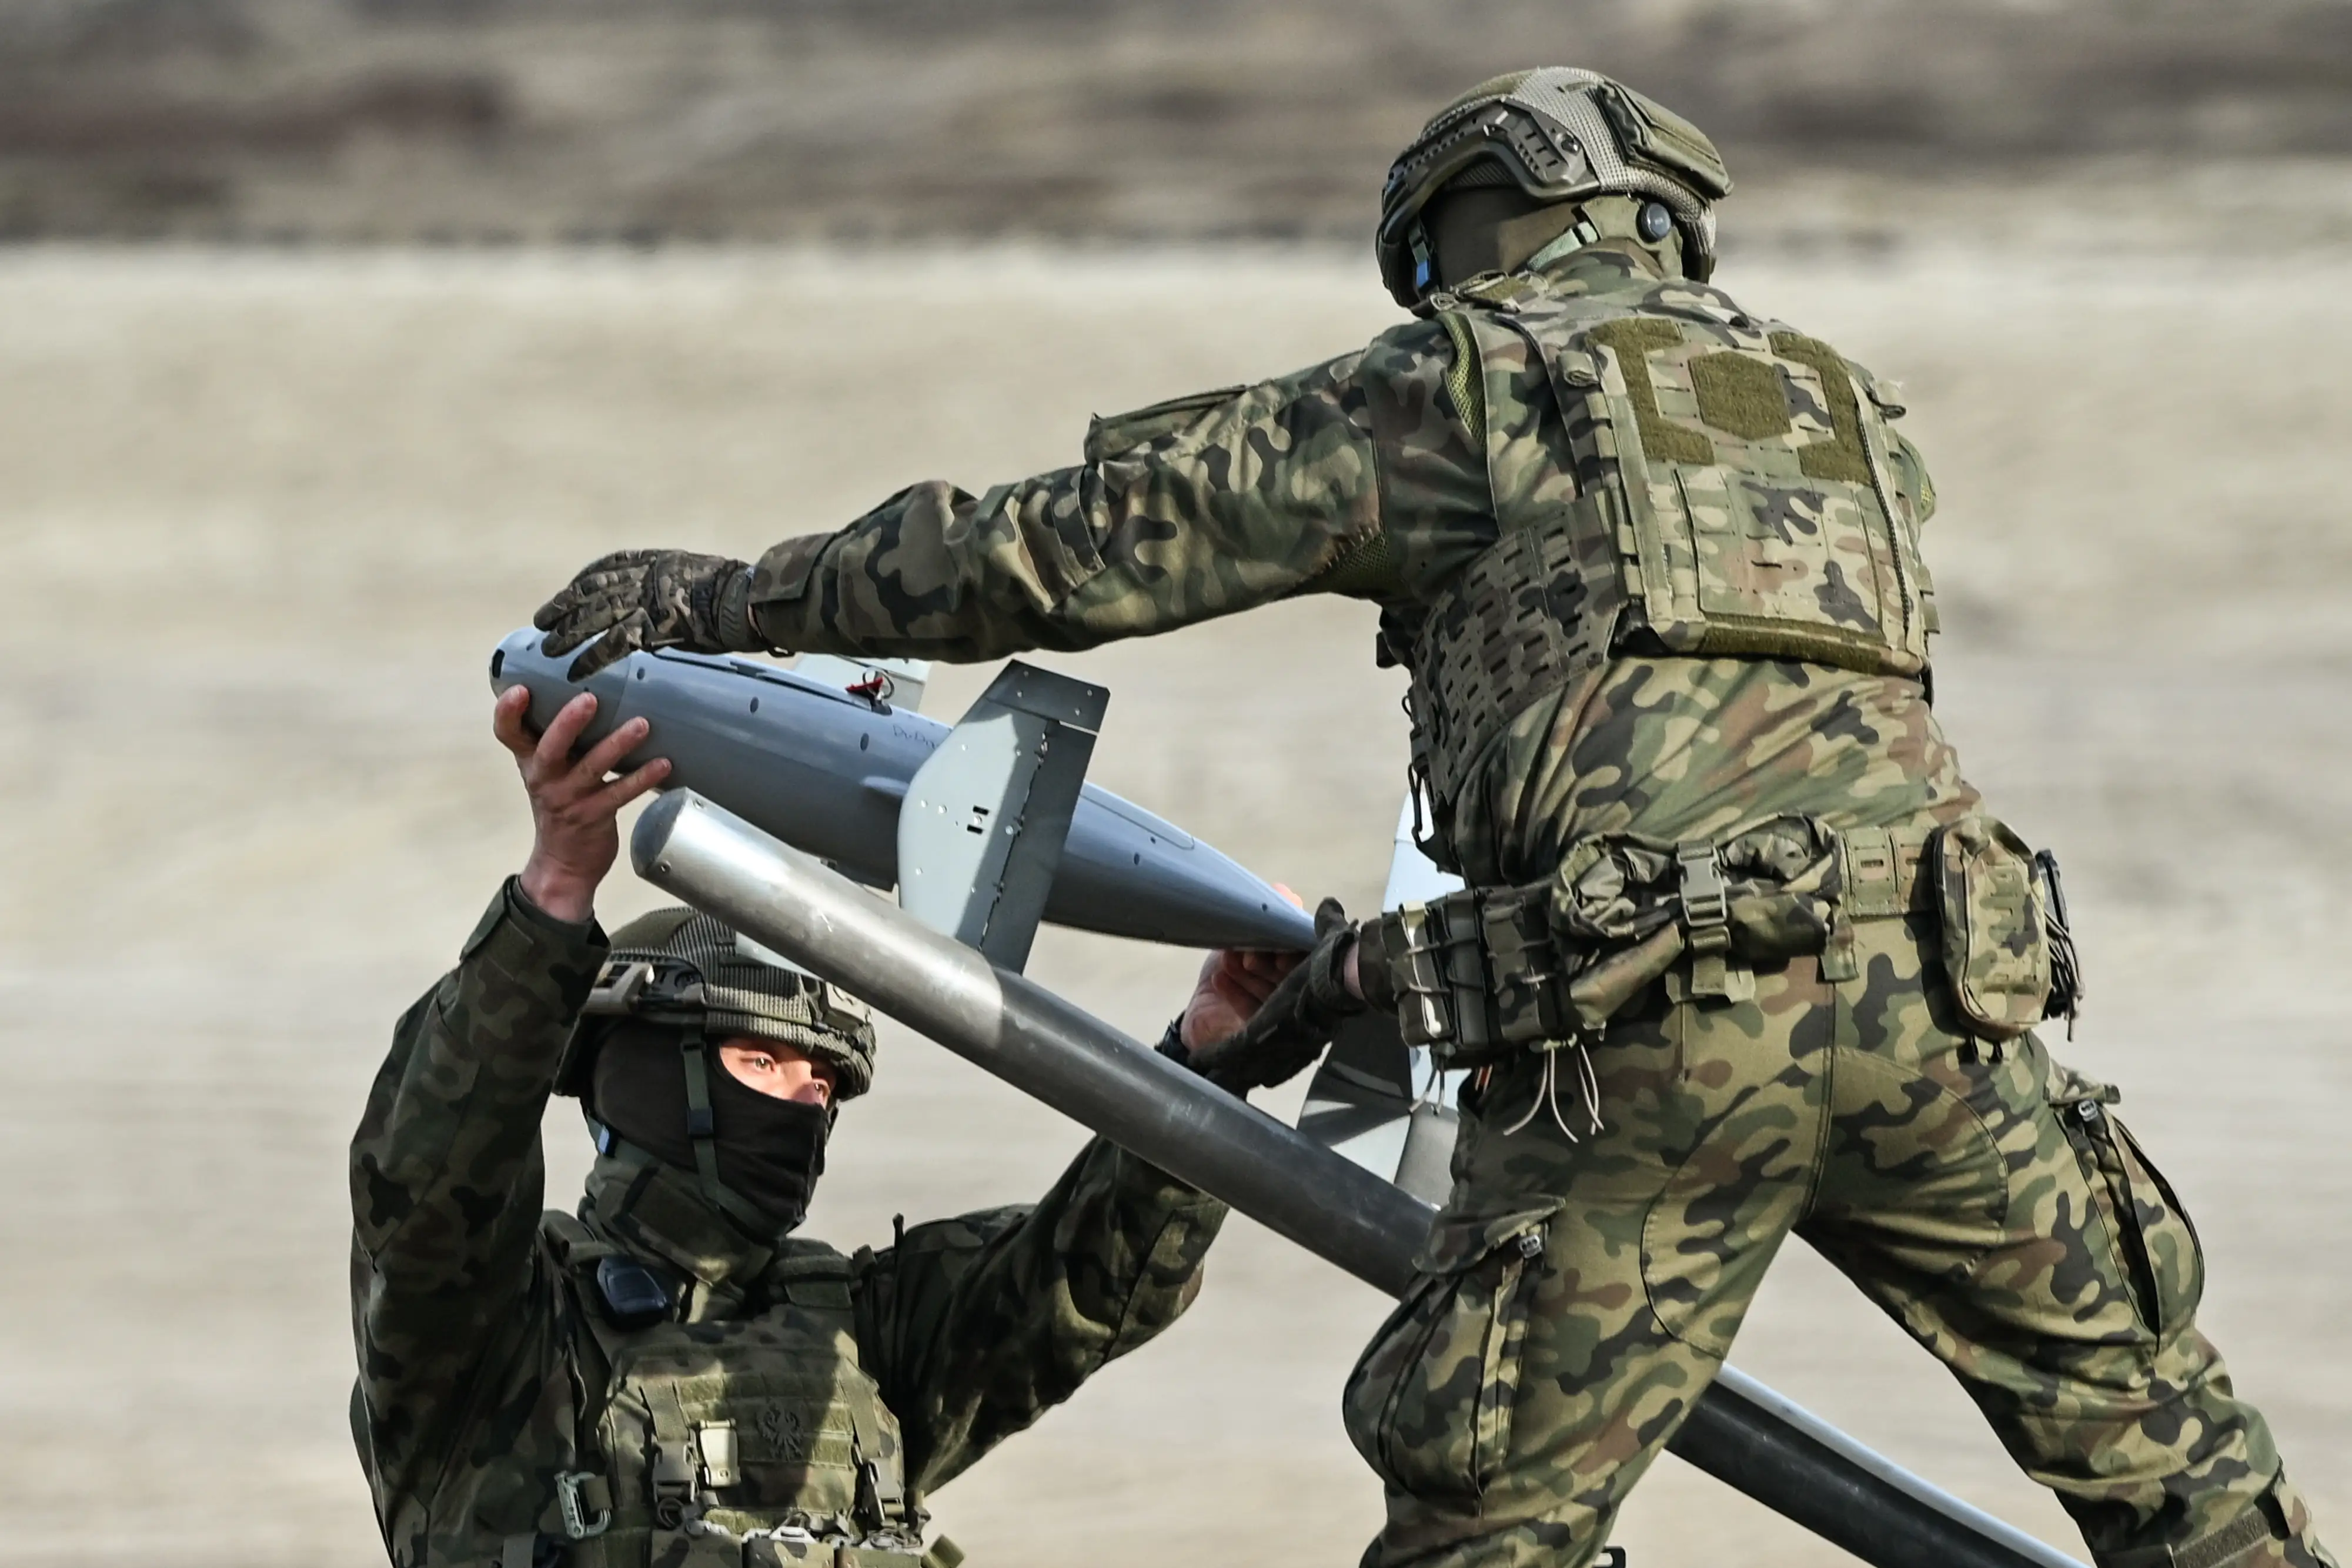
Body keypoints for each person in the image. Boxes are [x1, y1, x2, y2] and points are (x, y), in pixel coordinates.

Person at [524, 68, 2331, 1568]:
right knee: (2182, 1473)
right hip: (1952, 1009)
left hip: (1661, 1041)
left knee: (1487, 1521)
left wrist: (735, 599)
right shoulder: (1842, 413)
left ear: (1472, 228)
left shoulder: (1464, 385)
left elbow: (1067, 551)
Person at [349, 684, 1293, 1567]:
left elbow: (1084, 1277)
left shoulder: (867, 1333)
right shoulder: (496, 1338)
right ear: (643, 1072)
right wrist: (554, 889)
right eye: (761, 1063)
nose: (799, 1105)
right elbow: (430, 1168)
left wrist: (1207, 1064)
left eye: (822, 1084)